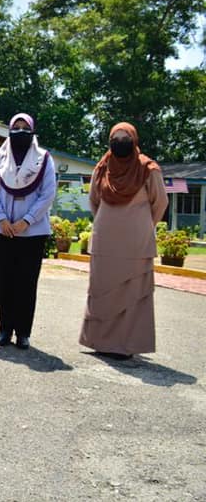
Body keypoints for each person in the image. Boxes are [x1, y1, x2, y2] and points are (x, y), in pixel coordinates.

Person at [79, 122, 167, 360]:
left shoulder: (148, 169)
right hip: (105, 241)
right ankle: (100, 342)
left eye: (124, 139)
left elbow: (160, 203)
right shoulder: (102, 167)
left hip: (135, 244)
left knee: (131, 294)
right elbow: (94, 200)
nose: (119, 143)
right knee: (101, 289)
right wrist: (107, 221)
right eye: (115, 139)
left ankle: (125, 346)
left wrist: (144, 226)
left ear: (134, 140)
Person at [0, 113, 56, 350]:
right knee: (5, 282)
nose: (21, 131)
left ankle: (23, 332)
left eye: (26, 127)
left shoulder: (44, 159)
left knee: (27, 283)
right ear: (9, 130)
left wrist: (27, 220)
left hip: (33, 232)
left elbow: (48, 193)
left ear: (33, 131)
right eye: (16, 127)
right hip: (2, 230)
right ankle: (5, 329)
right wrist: (1, 219)